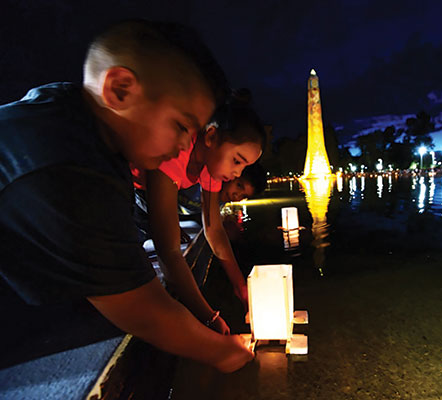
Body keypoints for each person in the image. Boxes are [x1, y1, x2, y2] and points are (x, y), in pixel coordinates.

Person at [0, 20, 254, 373]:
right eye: (181, 126)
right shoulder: (67, 168)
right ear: (120, 90)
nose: (185, 144)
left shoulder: (74, 119)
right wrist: (222, 352)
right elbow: (144, 309)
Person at [132, 101, 266, 334]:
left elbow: (213, 229)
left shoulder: (209, 167)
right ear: (211, 136)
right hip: (119, 187)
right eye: (237, 160)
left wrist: (240, 286)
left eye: (244, 167)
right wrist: (208, 317)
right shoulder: (176, 151)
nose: (237, 172)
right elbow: (168, 251)